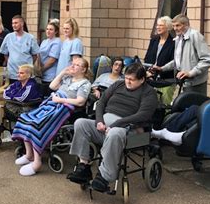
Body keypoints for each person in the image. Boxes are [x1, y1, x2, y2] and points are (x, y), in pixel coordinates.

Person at [67, 63, 158, 193]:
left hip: (128, 128)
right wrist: (99, 121)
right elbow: (101, 102)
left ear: (142, 79)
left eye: (131, 80)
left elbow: (143, 115)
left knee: (115, 133)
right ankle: (83, 166)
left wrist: (117, 124)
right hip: (104, 125)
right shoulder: (118, 84)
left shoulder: (148, 93)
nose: (128, 82)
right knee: (80, 123)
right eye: (126, 78)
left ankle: (104, 177)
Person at [12, 57, 92, 176]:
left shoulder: (85, 83)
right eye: (72, 64)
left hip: (63, 108)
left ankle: (37, 163)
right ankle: (29, 155)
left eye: (76, 65)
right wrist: (63, 72)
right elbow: (52, 87)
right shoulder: (68, 78)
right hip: (52, 102)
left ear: (83, 69)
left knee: (37, 125)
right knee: (25, 118)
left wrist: (60, 99)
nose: (72, 66)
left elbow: (80, 101)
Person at [154, 14, 210, 95]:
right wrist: (162, 68)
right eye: (173, 26)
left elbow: (207, 60)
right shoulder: (179, 38)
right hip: (182, 82)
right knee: (180, 106)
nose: (175, 28)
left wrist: (191, 73)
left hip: (195, 84)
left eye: (178, 25)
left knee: (194, 107)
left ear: (186, 25)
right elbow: (177, 61)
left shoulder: (195, 35)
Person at [0, 15, 39, 83]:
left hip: (26, 73)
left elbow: (35, 55)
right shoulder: (9, 37)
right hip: (13, 73)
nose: (14, 25)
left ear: (22, 23)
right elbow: (5, 53)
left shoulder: (30, 38)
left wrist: (28, 65)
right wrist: (11, 62)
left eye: (16, 23)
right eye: (13, 23)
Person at [37, 19, 61, 97]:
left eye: (51, 29)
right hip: (42, 74)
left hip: (51, 75)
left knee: (48, 96)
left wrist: (41, 70)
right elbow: (39, 55)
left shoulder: (57, 42)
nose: (48, 31)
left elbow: (52, 60)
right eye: (47, 29)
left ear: (56, 32)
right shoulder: (44, 41)